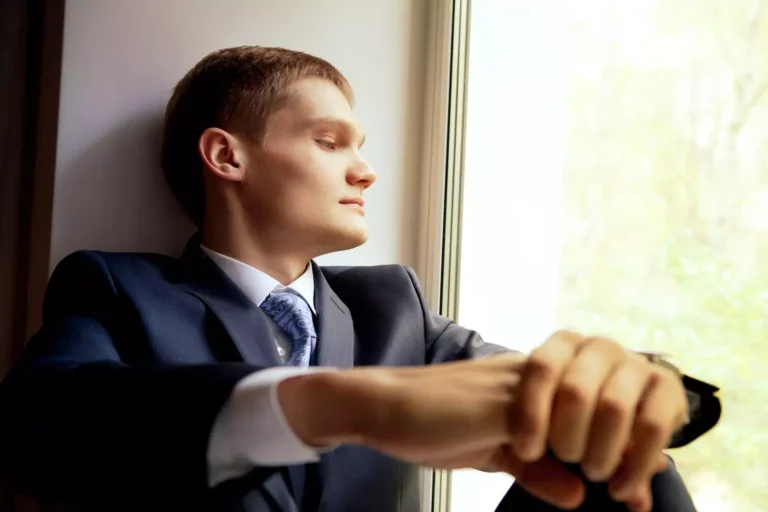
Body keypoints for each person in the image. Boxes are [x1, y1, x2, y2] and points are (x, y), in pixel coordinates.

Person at [0, 46, 711, 512]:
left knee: (620, 461)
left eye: (361, 148)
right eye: (329, 141)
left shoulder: (391, 306)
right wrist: (338, 404)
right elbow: (31, 433)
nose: (365, 171)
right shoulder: (117, 289)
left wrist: (633, 385)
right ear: (225, 156)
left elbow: (537, 388)